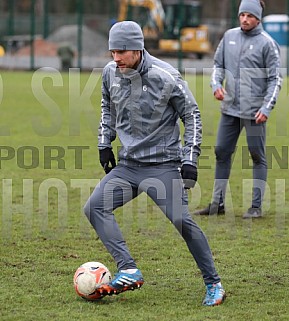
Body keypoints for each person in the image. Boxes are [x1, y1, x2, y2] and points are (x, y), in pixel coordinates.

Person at [84, 21, 226, 306]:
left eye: (122, 51)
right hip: (128, 165)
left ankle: (214, 284)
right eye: (112, 51)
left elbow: (193, 115)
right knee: (95, 207)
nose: (116, 58)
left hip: (163, 166)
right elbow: (106, 108)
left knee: (182, 221)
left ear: (137, 49)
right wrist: (104, 144)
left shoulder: (166, 75)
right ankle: (128, 268)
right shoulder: (110, 73)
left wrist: (190, 160)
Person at [195, 0, 282, 218]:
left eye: (250, 16)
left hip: (255, 114)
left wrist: (266, 108)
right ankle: (218, 204)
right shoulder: (229, 36)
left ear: (258, 18)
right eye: (242, 14)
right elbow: (217, 65)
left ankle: (255, 207)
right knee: (221, 153)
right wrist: (216, 85)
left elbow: (275, 80)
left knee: (257, 156)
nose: (245, 19)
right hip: (229, 110)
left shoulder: (267, 44)